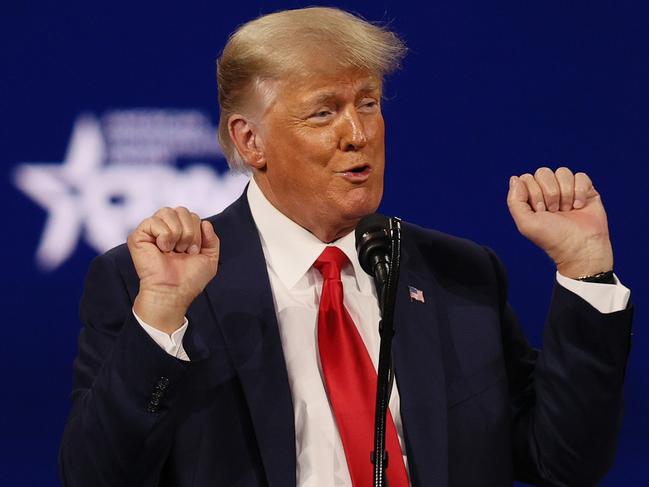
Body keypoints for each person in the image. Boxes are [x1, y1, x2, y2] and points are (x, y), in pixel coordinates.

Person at [59, 7, 633, 487]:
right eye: (323, 111)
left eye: (368, 102)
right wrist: (160, 314)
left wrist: (586, 270)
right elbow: (98, 477)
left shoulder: (458, 274)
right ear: (250, 140)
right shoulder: (157, 289)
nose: (358, 133)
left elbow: (565, 462)